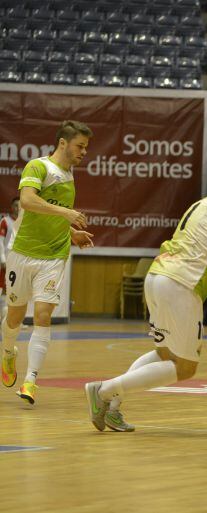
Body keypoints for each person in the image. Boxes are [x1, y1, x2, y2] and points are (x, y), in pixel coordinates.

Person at [84, 164, 207, 432]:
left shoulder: (199, 205)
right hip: (179, 285)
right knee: (185, 368)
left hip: (158, 276)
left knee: (164, 353)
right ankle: (103, 391)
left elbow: (194, 250)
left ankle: (113, 407)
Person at [1, 121, 95, 404]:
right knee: (15, 315)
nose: (83, 152)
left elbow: (55, 215)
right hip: (23, 252)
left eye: (86, 148)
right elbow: (28, 201)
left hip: (54, 254)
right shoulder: (38, 167)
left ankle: (30, 382)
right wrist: (66, 215)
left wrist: (71, 232)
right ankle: (7, 352)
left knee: (42, 315)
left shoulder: (69, 174)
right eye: (80, 146)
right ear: (63, 143)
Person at [0, 197, 20, 321]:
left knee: (15, 293)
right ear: (12, 207)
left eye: (20, 205)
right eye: (16, 205)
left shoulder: (25, 223)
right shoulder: (5, 221)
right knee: (1, 290)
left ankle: (13, 321)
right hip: (5, 263)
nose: (18, 208)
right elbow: (0, 242)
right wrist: (2, 260)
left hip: (18, 264)